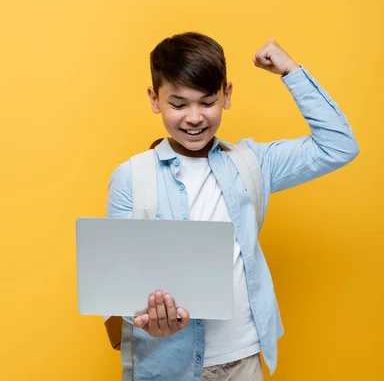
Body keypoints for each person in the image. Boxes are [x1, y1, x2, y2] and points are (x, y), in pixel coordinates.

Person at [106, 32, 359, 380]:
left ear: (226, 95)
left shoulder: (253, 163)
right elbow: (117, 284)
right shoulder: (130, 177)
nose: (194, 117)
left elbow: (339, 146)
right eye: (178, 104)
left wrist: (291, 71)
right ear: (155, 99)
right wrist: (147, 323)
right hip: (166, 366)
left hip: (243, 361)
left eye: (207, 102)